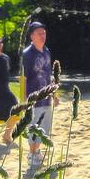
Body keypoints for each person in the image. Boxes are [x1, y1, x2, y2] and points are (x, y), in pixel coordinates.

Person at [21, 21, 54, 169]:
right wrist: (23, 99)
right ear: (32, 36)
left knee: (45, 127)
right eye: (39, 33)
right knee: (34, 125)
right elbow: (23, 77)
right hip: (33, 97)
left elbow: (49, 75)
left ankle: (37, 151)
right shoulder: (27, 54)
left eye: (44, 33)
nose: (43, 35)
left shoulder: (46, 51)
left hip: (46, 95)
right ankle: (32, 154)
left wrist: (54, 93)